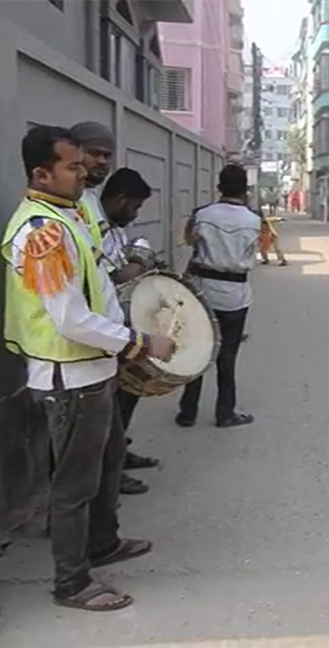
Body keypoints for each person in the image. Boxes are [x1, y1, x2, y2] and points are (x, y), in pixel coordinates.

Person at [2, 125, 175, 611]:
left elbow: (97, 280)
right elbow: (71, 318)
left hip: (93, 370)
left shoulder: (70, 214)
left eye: (84, 164)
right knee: (74, 485)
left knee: (108, 461)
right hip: (69, 376)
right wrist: (140, 342)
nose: (85, 174)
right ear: (42, 172)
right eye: (73, 167)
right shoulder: (42, 233)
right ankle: (72, 582)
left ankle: (103, 542)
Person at [177, 165, 260, 428]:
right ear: (245, 188)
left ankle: (188, 412)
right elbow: (254, 249)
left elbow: (189, 240)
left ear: (219, 186)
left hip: (203, 291)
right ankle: (225, 413)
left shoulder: (201, 215)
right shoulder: (254, 219)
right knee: (227, 355)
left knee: (197, 351)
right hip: (236, 294)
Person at [99, 168, 159, 495]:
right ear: (120, 199)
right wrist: (135, 266)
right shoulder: (91, 226)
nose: (135, 214)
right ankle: (113, 472)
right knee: (109, 409)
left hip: (123, 326)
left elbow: (133, 253)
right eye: (134, 207)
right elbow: (117, 274)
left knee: (129, 391)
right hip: (103, 335)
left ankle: (120, 452)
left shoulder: (115, 227)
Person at [70, 121, 115, 253]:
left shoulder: (91, 194)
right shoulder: (69, 201)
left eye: (107, 155)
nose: (102, 161)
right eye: (94, 153)